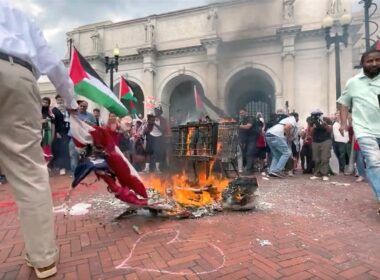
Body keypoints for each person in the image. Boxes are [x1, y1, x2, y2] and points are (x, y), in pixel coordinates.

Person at [0, 0, 78, 278]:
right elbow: (50, 61)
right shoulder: (17, 14)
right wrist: (69, 98)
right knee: (29, 172)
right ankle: (43, 258)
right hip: (15, 74)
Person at [337, 48, 380, 213]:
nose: (374, 63)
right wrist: (343, 124)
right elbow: (344, 103)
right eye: (370, 61)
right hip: (364, 130)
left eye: (377, 60)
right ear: (362, 63)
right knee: (374, 162)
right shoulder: (353, 82)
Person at [265, 112, 297, 178]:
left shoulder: (284, 120)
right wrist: (288, 137)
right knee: (287, 153)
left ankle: (272, 171)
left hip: (269, 134)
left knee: (277, 154)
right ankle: (277, 170)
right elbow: (287, 127)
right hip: (277, 135)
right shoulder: (293, 119)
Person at [309, 109, 333, 181]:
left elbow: (330, 130)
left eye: (318, 114)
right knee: (316, 158)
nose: (317, 116)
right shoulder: (312, 121)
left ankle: (325, 174)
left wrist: (324, 123)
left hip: (325, 140)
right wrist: (313, 126)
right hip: (316, 141)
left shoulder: (326, 119)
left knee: (324, 158)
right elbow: (311, 131)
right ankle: (317, 173)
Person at [51, 95, 71, 175]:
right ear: (56, 100)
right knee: (61, 150)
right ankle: (61, 167)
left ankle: (67, 166)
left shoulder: (66, 109)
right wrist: (56, 132)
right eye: (58, 99)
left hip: (68, 131)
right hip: (60, 132)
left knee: (67, 149)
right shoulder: (54, 110)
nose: (60, 101)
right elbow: (54, 123)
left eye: (61, 99)